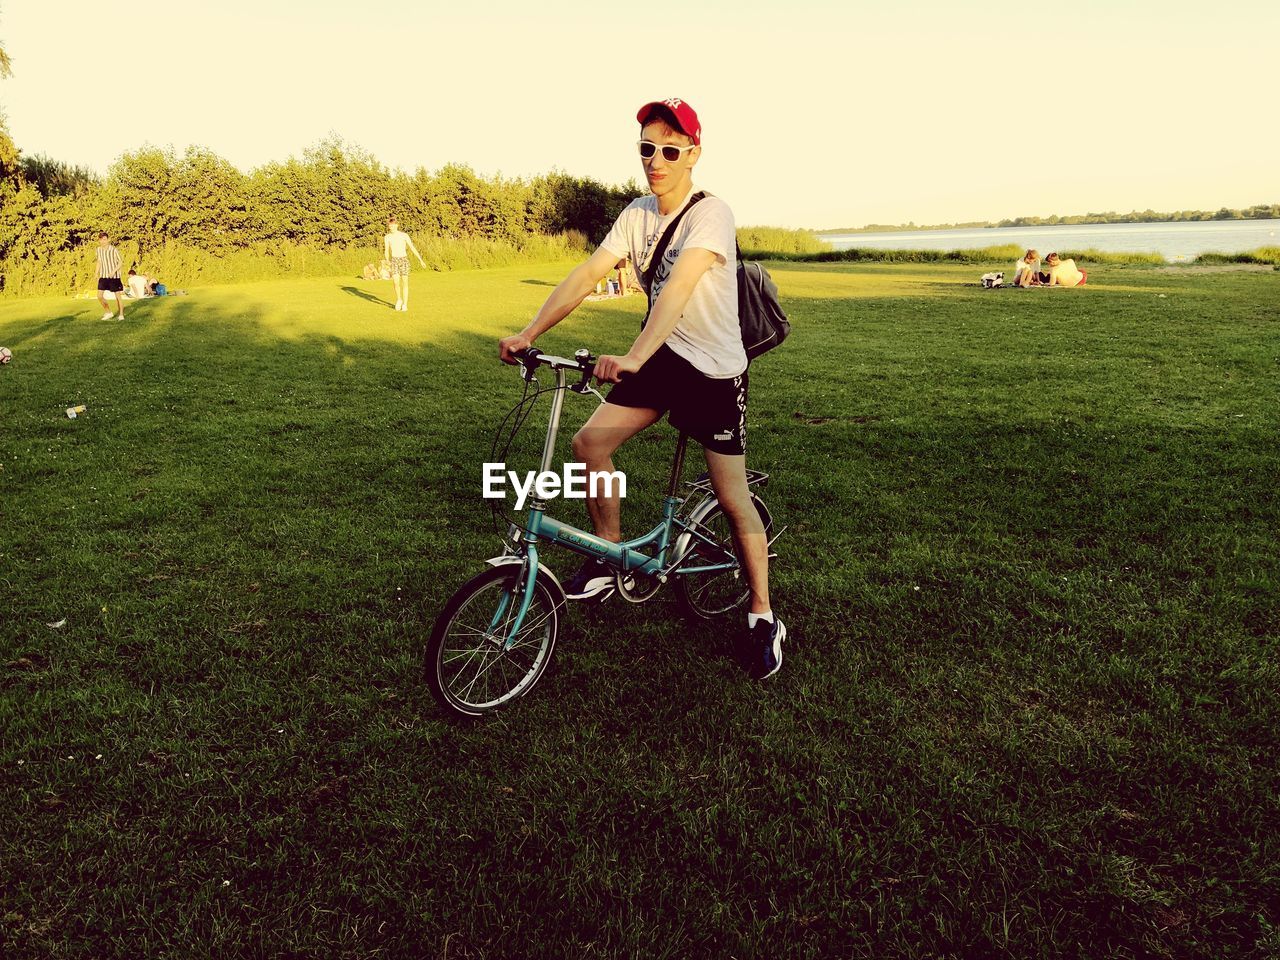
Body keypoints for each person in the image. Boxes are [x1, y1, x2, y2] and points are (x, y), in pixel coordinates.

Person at [498, 97, 786, 680]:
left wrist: (632, 356)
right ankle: (610, 556)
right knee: (589, 445)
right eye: (646, 148)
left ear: (693, 155)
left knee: (731, 497)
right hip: (661, 359)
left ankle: (763, 615)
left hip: (712, 370)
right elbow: (586, 275)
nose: (656, 160)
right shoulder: (636, 214)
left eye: (669, 150)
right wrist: (529, 332)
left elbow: (679, 289)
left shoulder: (713, 215)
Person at [382, 216, 427, 311]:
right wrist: (387, 260)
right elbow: (386, 250)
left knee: (405, 282)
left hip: (404, 260)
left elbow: (412, 247)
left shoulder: (404, 235)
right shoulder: (387, 237)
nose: (391, 227)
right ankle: (399, 299)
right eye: (390, 226)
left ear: (397, 225)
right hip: (394, 260)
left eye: (393, 225)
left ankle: (405, 304)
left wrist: (420, 260)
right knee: (395, 282)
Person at [94, 232, 126, 320]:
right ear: (99, 240)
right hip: (103, 276)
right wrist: (96, 273)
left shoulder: (113, 250)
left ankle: (121, 315)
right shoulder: (98, 250)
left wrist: (113, 271)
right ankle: (108, 312)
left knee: (117, 296)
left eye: (104, 239)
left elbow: (120, 262)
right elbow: (99, 262)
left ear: (108, 240)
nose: (103, 241)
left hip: (114, 276)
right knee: (99, 296)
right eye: (101, 239)